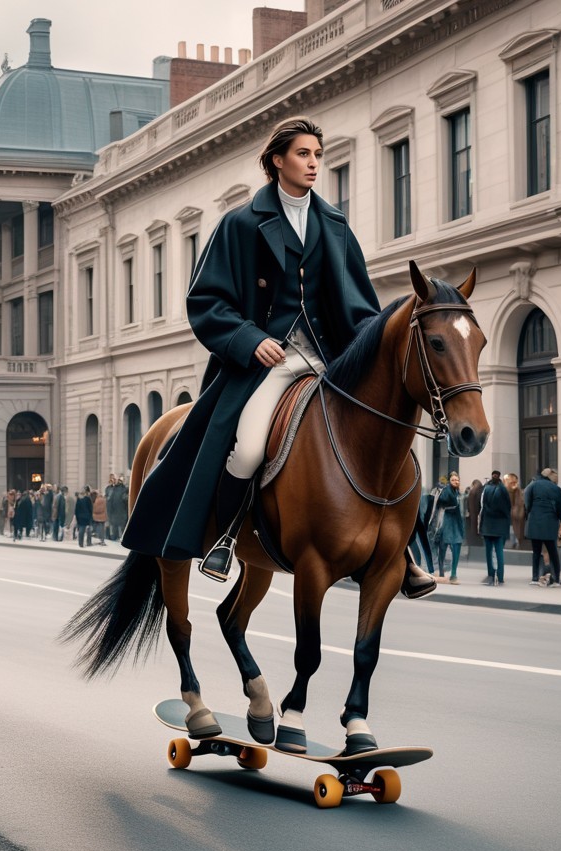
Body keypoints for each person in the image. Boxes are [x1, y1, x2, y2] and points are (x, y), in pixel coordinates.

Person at [119, 117, 432, 597]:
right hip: (268, 363)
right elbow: (206, 300)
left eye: (317, 155)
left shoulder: (334, 223)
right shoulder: (240, 224)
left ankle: (400, 552)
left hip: (330, 359)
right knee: (245, 448)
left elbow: (359, 303)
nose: (312, 164)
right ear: (277, 161)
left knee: (385, 442)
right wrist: (248, 339)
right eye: (303, 154)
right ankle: (225, 538)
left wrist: (376, 350)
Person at [524, 467, 561, 586]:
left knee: (536, 551)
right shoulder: (556, 488)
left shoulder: (534, 485)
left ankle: (535, 578)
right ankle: (556, 578)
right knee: (553, 551)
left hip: (535, 522)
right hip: (550, 523)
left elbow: (527, 500)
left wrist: (530, 512)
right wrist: (557, 518)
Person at [478, 470, 511, 585]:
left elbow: (481, 508)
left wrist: (481, 527)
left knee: (488, 552)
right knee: (499, 552)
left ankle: (491, 575)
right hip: (500, 526)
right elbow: (508, 508)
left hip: (488, 525)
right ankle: (500, 577)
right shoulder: (503, 490)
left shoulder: (486, 489)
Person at [434, 472, 465, 583]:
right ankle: (444, 572)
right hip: (447, 523)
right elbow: (441, 503)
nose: (456, 481)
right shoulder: (447, 491)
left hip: (456, 524)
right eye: (453, 480)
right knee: (443, 548)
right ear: (449, 481)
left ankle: (453, 574)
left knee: (455, 547)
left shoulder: (457, 492)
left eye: (457, 480)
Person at [505, 472, 526, 550]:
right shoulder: (507, 490)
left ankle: (514, 542)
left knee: (514, 530)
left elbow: (519, 503)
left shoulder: (517, 491)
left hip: (513, 515)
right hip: (511, 515)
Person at [105, 475, 128, 542]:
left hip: (118, 511)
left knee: (119, 525)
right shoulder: (111, 488)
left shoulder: (119, 489)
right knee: (118, 525)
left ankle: (118, 538)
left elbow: (110, 500)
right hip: (117, 511)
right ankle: (118, 537)